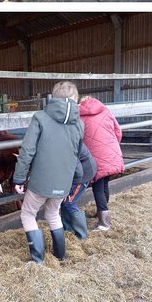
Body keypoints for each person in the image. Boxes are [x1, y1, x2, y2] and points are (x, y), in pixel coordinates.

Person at [12, 81, 94, 262]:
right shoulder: (79, 124)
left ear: (53, 97)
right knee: (52, 213)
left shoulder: (40, 117)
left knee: (28, 213)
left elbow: (27, 150)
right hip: (63, 181)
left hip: (40, 181)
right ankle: (60, 255)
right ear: (75, 98)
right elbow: (76, 153)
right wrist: (73, 181)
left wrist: (19, 178)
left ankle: (38, 259)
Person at [78, 93, 124, 231]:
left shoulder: (79, 116)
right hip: (112, 154)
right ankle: (101, 212)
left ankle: (104, 223)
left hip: (95, 157)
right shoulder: (105, 111)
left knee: (98, 188)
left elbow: (78, 137)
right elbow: (118, 131)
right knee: (104, 186)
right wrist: (112, 146)